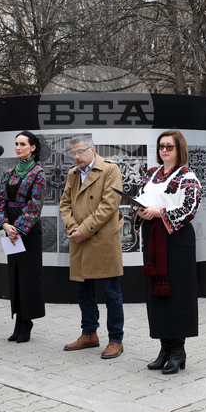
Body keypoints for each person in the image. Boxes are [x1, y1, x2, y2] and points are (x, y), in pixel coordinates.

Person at [134, 130, 202, 375]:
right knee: (156, 292)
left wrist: (159, 213)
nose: (164, 150)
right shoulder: (152, 174)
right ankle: (164, 347)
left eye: (169, 147)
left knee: (178, 292)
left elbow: (190, 207)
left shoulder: (187, 176)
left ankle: (178, 350)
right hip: (153, 237)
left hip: (175, 240)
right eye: (161, 146)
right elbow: (141, 199)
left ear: (179, 149)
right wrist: (142, 211)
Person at [59, 134, 125, 360]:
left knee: (111, 292)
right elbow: (64, 204)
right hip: (78, 240)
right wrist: (72, 228)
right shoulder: (73, 174)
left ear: (93, 150)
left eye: (80, 152)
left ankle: (116, 339)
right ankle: (89, 334)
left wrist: (83, 230)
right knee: (83, 290)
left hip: (102, 240)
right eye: (73, 153)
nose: (76, 157)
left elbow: (109, 205)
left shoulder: (110, 169)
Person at [0, 131, 47, 344]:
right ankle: (18, 320)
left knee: (28, 277)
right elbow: (2, 200)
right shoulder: (9, 173)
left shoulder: (38, 173)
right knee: (14, 275)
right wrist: (5, 225)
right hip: (10, 230)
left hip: (28, 231)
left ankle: (27, 322)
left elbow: (35, 205)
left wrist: (18, 228)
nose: (18, 147)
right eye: (16, 143)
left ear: (32, 147)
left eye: (22, 144)